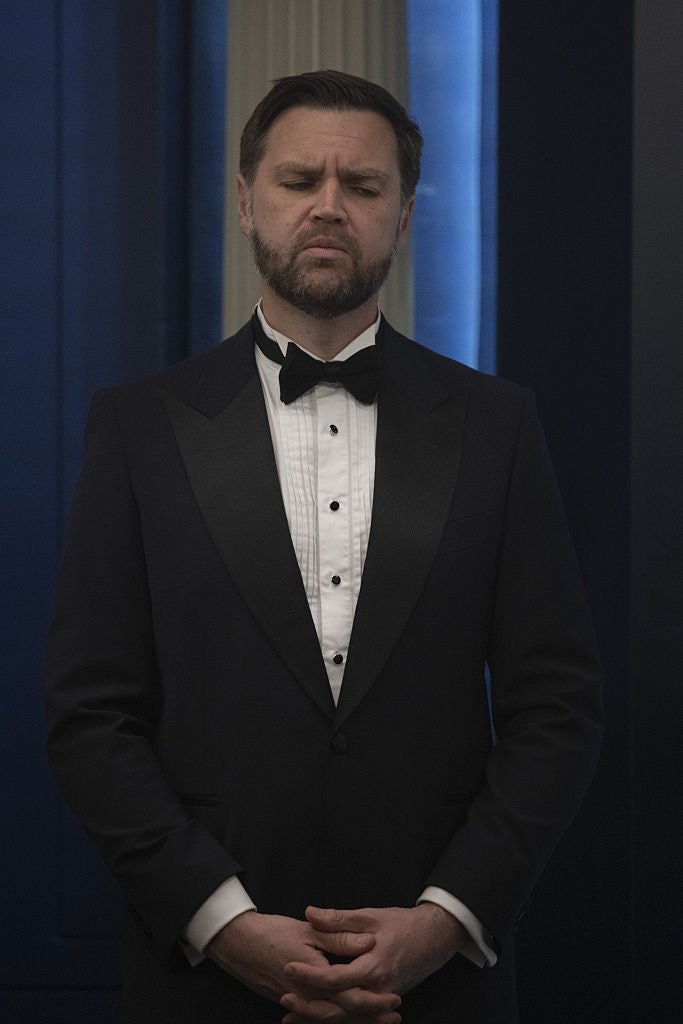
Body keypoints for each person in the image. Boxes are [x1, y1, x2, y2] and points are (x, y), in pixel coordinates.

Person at [45, 70, 603, 1024]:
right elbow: (91, 715)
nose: (329, 207)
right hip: (202, 984)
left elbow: (557, 707)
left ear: (404, 215)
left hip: (440, 988)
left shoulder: (498, 426)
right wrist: (222, 924)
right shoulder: (137, 427)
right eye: (300, 180)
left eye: (364, 186)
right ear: (245, 200)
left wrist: (444, 921)